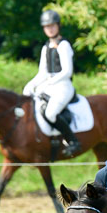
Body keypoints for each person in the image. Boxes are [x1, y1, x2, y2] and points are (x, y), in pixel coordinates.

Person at [23, 9, 80, 156]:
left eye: (52, 26)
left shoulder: (64, 45)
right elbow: (43, 72)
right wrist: (30, 85)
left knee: (50, 113)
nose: (50, 29)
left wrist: (50, 82)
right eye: (47, 27)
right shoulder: (45, 47)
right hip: (50, 85)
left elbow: (67, 71)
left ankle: (73, 141)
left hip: (63, 86)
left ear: (58, 26)